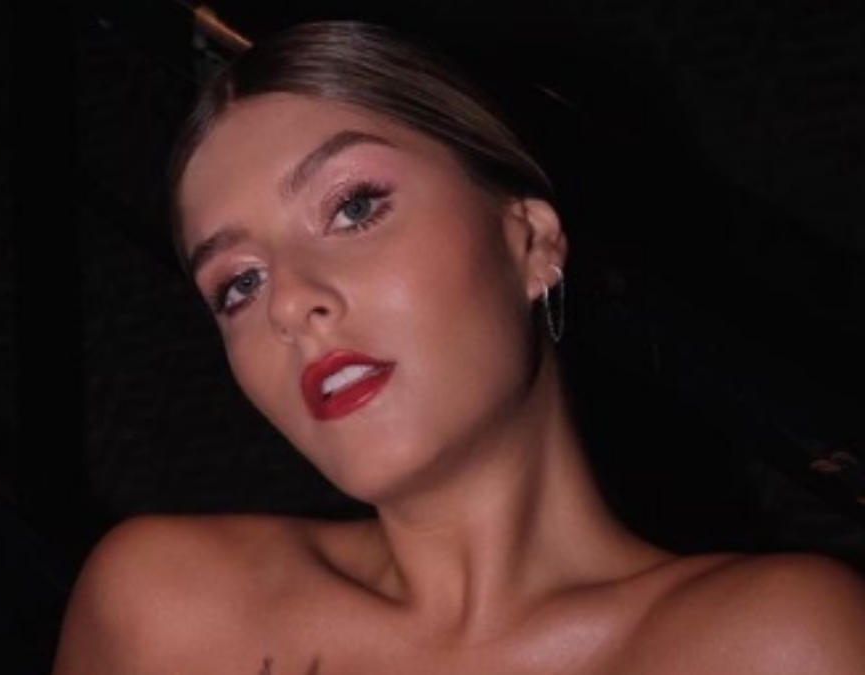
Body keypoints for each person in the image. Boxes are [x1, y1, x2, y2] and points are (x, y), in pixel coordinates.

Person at [53, 19, 865, 674]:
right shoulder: (164, 609)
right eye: (239, 283)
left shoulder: (780, 641)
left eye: (354, 207)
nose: (290, 303)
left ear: (529, 240)